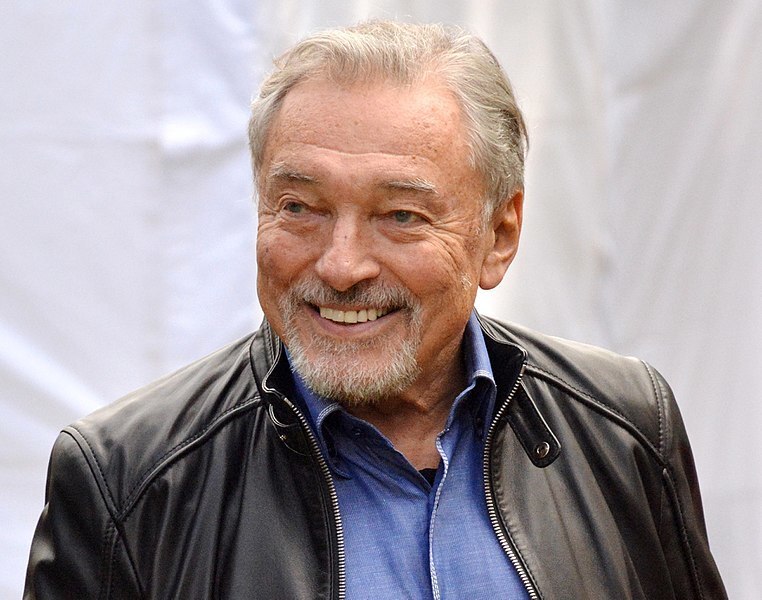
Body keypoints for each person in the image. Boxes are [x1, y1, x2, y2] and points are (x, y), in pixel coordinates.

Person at [24, 20, 726, 599]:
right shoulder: (127, 479)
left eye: (400, 216)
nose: (341, 265)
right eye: (300, 207)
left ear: (499, 235)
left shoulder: (622, 428)